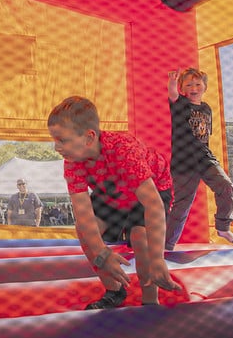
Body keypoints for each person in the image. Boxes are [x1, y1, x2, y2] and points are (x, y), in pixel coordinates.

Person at [47, 96, 181, 308]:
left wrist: (157, 259)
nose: (57, 147)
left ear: (89, 137)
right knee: (84, 230)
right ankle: (114, 291)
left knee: (140, 236)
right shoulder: (73, 162)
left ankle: (150, 300)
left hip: (151, 187)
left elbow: (153, 205)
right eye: (55, 140)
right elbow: (83, 214)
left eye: (62, 140)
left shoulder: (123, 150)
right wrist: (102, 253)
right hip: (112, 190)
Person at [164, 68, 233, 250]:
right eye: (188, 85)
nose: (193, 88)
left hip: (204, 156)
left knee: (226, 186)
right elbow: (172, 95)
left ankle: (222, 227)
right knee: (182, 205)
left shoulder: (207, 108)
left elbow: (204, 136)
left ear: (205, 87)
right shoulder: (181, 104)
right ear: (182, 88)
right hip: (183, 160)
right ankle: (166, 244)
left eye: (198, 84)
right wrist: (173, 82)